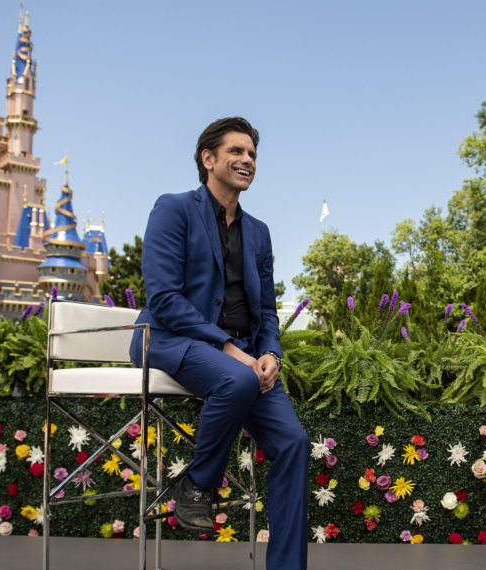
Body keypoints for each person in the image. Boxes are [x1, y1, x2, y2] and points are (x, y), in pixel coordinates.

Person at [130, 117, 309, 570]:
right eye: (237, 151)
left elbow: (266, 311)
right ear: (208, 159)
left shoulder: (259, 233)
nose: (247, 160)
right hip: (169, 339)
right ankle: (199, 484)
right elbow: (164, 299)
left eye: (252, 154)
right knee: (235, 378)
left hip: (245, 355)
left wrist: (270, 354)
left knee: (293, 443)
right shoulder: (173, 209)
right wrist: (230, 348)